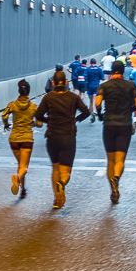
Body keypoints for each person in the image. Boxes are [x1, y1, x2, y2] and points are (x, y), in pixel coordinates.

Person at [35, 71, 91, 209]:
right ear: (66, 82)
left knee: (55, 168)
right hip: (68, 136)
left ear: (53, 83)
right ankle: (62, 183)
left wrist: (49, 121)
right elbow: (86, 112)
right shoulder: (73, 97)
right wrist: (75, 120)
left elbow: (38, 114)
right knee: (65, 171)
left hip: (52, 136)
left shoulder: (48, 97)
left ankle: (57, 199)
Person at [95, 60, 136, 205]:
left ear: (111, 70)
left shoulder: (104, 86)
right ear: (123, 71)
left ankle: (112, 188)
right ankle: (116, 178)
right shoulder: (130, 85)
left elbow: (97, 103)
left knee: (110, 159)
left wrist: (100, 114)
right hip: (124, 125)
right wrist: (131, 108)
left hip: (109, 124)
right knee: (120, 159)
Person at [2, 79, 41, 199]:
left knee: (20, 165)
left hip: (13, 139)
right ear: (28, 92)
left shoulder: (12, 104)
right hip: (27, 139)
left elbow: (4, 115)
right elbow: (40, 123)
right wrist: (32, 123)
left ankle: (23, 190)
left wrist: (6, 124)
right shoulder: (34, 107)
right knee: (24, 167)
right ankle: (17, 178)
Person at [85, 58, 105, 122]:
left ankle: (91, 115)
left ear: (90, 63)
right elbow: (102, 78)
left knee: (91, 101)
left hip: (89, 87)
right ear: (96, 62)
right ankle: (94, 111)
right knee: (94, 99)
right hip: (96, 87)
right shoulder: (99, 69)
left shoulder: (88, 69)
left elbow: (85, 77)